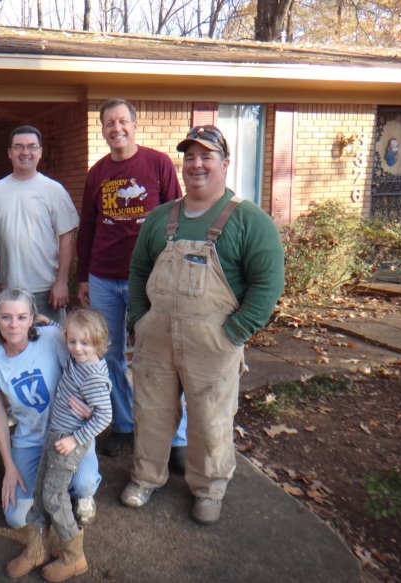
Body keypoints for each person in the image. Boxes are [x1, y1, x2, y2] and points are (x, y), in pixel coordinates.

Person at [120, 125, 285, 525]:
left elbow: (268, 284)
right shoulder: (161, 217)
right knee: (151, 411)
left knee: (211, 419)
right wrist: (140, 317)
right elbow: (139, 270)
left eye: (206, 156)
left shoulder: (250, 220)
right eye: (190, 157)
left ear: (225, 163)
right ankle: (146, 477)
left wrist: (235, 332)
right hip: (156, 338)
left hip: (214, 341)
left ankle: (209, 488)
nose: (196, 164)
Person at [75, 97, 188, 461]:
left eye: (122, 121)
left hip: (149, 279)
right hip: (103, 277)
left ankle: (176, 438)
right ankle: (123, 423)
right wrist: (82, 276)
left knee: (161, 355)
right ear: (103, 130)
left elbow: (178, 219)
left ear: (135, 125)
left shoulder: (158, 164)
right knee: (108, 354)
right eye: (109, 123)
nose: (117, 128)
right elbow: (87, 228)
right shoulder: (97, 173)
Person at [0, 288, 102, 531]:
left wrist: (93, 407)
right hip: (31, 441)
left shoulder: (50, 338)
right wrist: (9, 467)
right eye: (6, 317)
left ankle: (79, 494)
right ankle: (51, 491)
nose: (14, 324)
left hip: (69, 433)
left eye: (21, 317)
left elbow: (90, 358)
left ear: (32, 319)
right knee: (16, 518)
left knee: (84, 484)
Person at [6, 309, 112, 582]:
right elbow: (70, 333)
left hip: (68, 440)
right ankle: (36, 549)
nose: (77, 348)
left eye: (85, 343)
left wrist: (74, 439)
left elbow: (105, 416)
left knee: (54, 496)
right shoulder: (78, 360)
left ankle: (74, 557)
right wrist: (50, 322)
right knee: (41, 491)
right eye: (72, 341)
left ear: (99, 342)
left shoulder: (93, 376)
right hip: (56, 436)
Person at [0, 126, 78, 322]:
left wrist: (62, 282)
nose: (25, 152)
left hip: (46, 291)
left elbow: (67, 238)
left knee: (50, 340)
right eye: (18, 147)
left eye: (31, 147)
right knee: (8, 340)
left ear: (40, 152)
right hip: (6, 290)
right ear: (9, 153)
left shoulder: (54, 190)